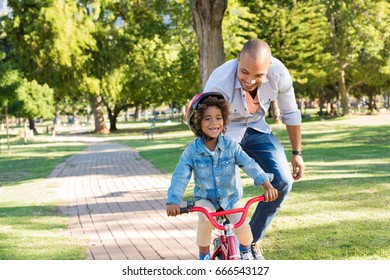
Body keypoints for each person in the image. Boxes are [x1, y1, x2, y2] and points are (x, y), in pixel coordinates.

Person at [203, 38, 305, 260]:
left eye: (258, 75)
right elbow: (206, 123)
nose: (250, 80)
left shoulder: (279, 74)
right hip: (225, 131)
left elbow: (291, 113)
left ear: (269, 67)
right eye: (244, 72)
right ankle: (226, 237)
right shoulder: (219, 81)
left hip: (257, 128)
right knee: (228, 190)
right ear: (238, 59)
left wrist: (297, 154)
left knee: (283, 181)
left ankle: (250, 241)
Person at [166, 92, 278, 260]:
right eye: (207, 119)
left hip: (230, 197)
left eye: (218, 117)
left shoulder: (231, 146)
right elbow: (180, 176)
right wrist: (173, 201)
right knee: (205, 220)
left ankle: (246, 250)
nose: (214, 123)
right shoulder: (192, 151)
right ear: (197, 123)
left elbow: (249, 165)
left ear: (224, 119)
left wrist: (267, 184)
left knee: (242, 225)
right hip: (206, 199)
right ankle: (204, 255)